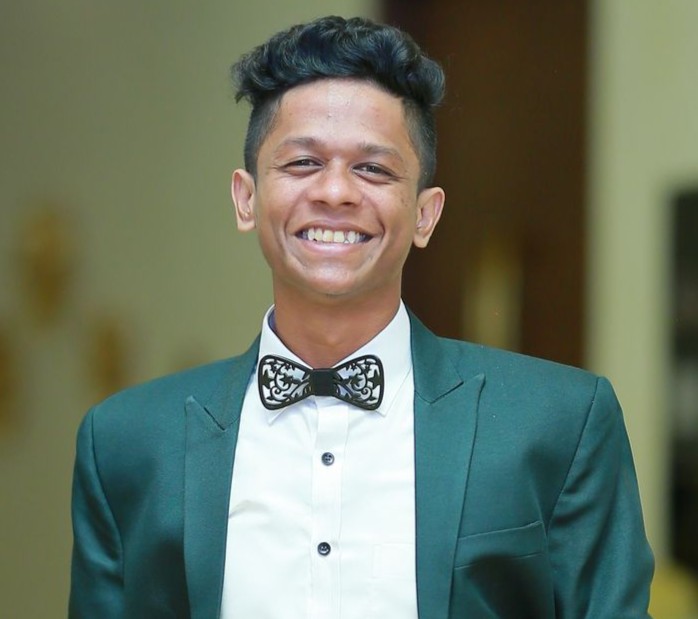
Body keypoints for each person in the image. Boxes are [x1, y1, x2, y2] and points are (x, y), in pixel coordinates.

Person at [69, 15, 654, 619]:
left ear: (425, 214)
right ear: (246, 198)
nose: (335, 193)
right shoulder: (126, 443)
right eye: (302, 163)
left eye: (373, 168)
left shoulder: (559, 424)